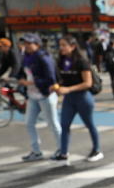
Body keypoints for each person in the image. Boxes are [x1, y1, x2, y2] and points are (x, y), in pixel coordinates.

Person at [53, 35, 102, 163]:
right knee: (64, 124)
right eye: (60, 45)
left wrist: (68, 89)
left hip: (83, 98)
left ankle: (96, 150)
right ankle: (63, 153)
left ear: (73, 46)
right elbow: (61, 79)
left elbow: (88, 83)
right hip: (69, 99)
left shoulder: (81, 61)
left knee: (89, 124)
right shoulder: (61, 61)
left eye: (64, 45)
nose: (61, 48)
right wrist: (57, 87)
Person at [18, 33, 61, 162]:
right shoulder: (26, 57)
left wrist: (31, 83)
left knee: (53, 123)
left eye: (29, 43)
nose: (27, 46)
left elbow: (51, 79)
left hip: (45, 94)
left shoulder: (44, 57)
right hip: (32, 95)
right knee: (29, 123)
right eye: (25, 43)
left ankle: (62, 149)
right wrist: (19, 79)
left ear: (37, 44)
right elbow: (22, 72)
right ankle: (36, 151)